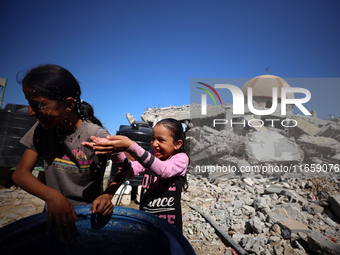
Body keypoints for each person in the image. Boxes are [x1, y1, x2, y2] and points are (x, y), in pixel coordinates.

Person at [12, 64, 110, 238]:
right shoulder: (41, 130)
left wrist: (107, 195)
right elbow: (20, 174)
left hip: (87, 218)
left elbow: (130, 164)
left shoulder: (95, 135)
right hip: (52, 215)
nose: (29, 112)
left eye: (38, 105)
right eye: (29, 103)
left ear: (68, 104)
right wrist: (53, 197)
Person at [83, 118, 189, 232]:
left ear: (177, 144)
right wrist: (114, 152)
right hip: (147, 222)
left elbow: (163, 170)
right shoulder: (151, 154)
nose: (154, 144)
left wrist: (131, 146)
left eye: (161, 140)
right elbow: (130, 171)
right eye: (153, 139)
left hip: (170, 228)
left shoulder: (181, 159)